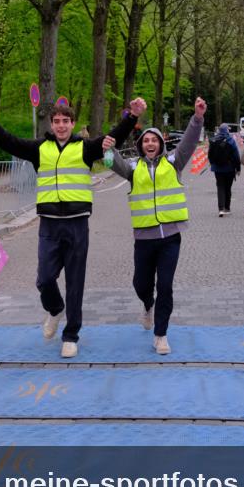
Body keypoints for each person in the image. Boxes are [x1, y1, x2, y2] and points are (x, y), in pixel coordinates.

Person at [0, 96, 147, 357]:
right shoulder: (39, 149)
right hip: (49, 226)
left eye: (66, 121)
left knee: (75, 283)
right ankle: (55, 309)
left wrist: (132, 115)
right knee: (44, 279)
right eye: (57, 121)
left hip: (77, 225)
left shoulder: (86, 148)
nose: (61, 126)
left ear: (73, 124)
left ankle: (71, 335)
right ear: (51, 124)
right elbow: (7, 141)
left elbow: (114, 137)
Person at [102, 97, 207, 355]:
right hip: (144, 239)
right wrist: (107, 147)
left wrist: (197, 118)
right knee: (141, 283)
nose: (150, 143)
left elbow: (189, 142)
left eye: (154, 140)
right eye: (146, 140)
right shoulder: (133, 169)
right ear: (141, 145)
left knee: (166, 286)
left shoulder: (174, 163)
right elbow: (111, 161)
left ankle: (161, 334)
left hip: (170, 238)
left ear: (160, 144)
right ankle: (147, 305)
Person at [208, 122, 241, 216]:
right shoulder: (231, 140)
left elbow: (210, 154)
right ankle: (227, 208)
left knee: (220, 187)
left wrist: (212, 164)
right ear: (227, 130)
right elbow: (236, 156)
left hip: (217, 169)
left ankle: (220, 209)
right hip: (229, 168)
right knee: (228, 188)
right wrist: (238, 168)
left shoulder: (214, 140)